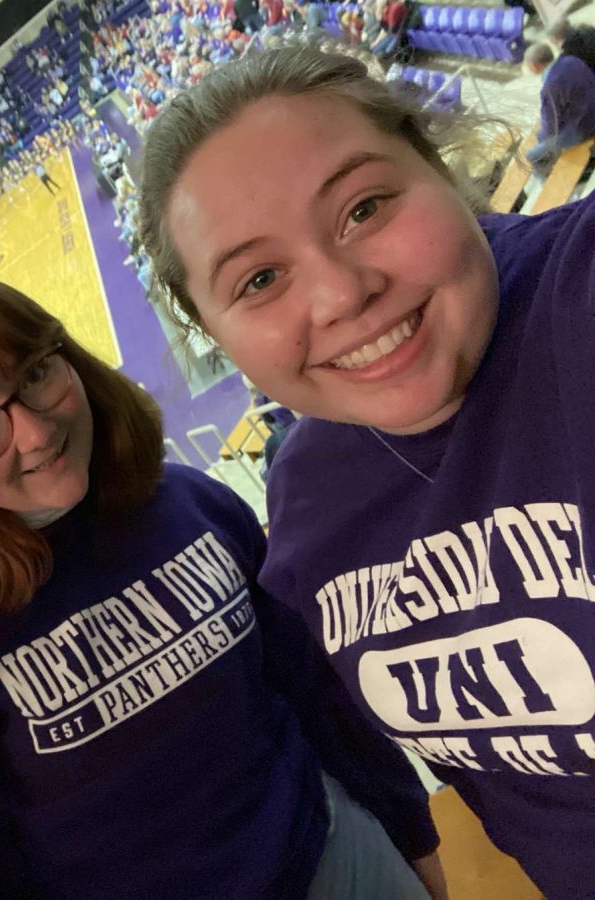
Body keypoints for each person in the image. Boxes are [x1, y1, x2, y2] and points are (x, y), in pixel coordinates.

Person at [136, 45, 595, 897]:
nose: (341, 294)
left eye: (364, 208)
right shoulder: (306, 508)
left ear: (434, 162)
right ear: (214, 333)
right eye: (262, 277)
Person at [0, 271, 439, 897]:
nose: (36, 431)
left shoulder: (190, 503)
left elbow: (319, 696)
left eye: (33, 375)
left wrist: (412, 836)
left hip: (336, 859)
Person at [522, 42, 595, 169]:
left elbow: (550, 125)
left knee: (531, 155)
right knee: (543, 136)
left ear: (535, 66)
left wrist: (544, 140)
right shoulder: (572, 60)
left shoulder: (550, 86)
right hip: (589, 109)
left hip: (585, 127)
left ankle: (547, 179)